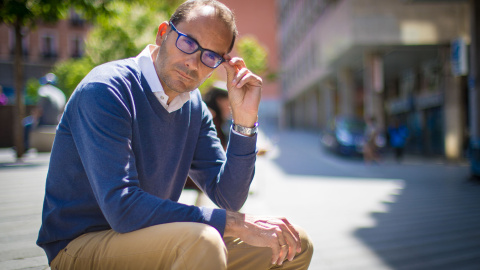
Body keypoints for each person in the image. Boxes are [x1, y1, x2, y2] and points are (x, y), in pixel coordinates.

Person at [36, 1, 313, 269]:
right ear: (162, 34)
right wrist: (234, 223)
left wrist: (244, 120)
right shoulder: (107, 90)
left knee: (293, 244)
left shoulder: (194, 108)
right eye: (189, 43)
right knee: (203, 242)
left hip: (157, 238)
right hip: (80, 246)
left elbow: (229, 197)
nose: (193, 63)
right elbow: (123, 208)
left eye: (210, 56)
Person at [23, 73, 66, 150]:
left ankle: (24, 146)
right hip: (55, 121)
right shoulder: (60, 93)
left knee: (26, 123)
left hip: (44, 121)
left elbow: (39, 110)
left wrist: (34, 120)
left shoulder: (44, 90)